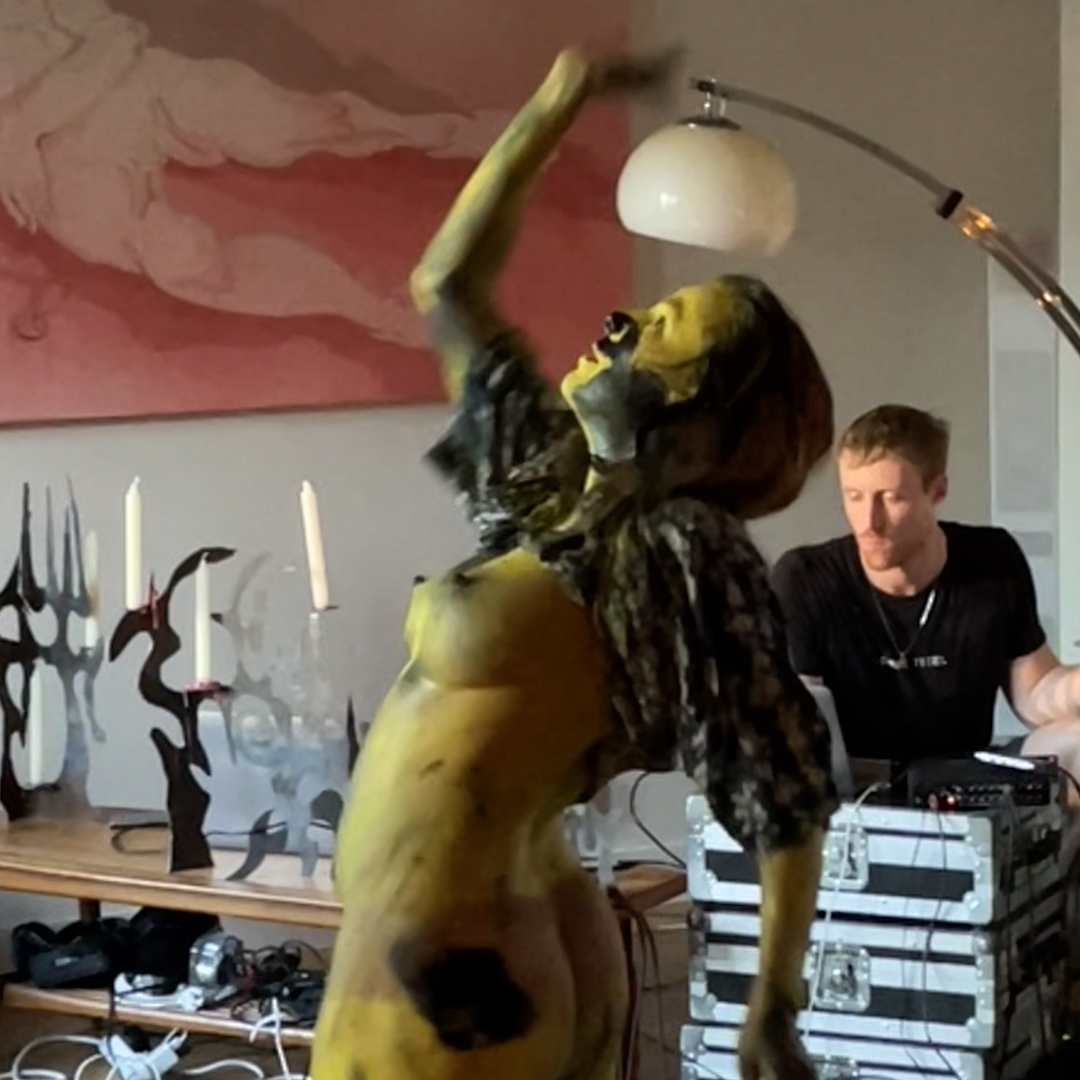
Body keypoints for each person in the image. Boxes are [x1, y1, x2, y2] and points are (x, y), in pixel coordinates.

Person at [311, 46, 838, 1080]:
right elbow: (446, 284)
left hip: (452, 958)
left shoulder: (684, 548)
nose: (621, 324)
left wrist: (775, 1006)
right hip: (498, 933)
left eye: (662, 331)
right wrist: (561, 99)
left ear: (694, 412)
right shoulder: (548, 493)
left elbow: (783, 782)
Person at [772, 403, 1080, 797]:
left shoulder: (993, 559)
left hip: (967, 778)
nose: (869, 522)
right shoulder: (806, 577)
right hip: (854, 790)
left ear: (936, 491)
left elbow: (1035, 695)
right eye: (854, 496)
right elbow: (795, 724)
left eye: (891, 498)